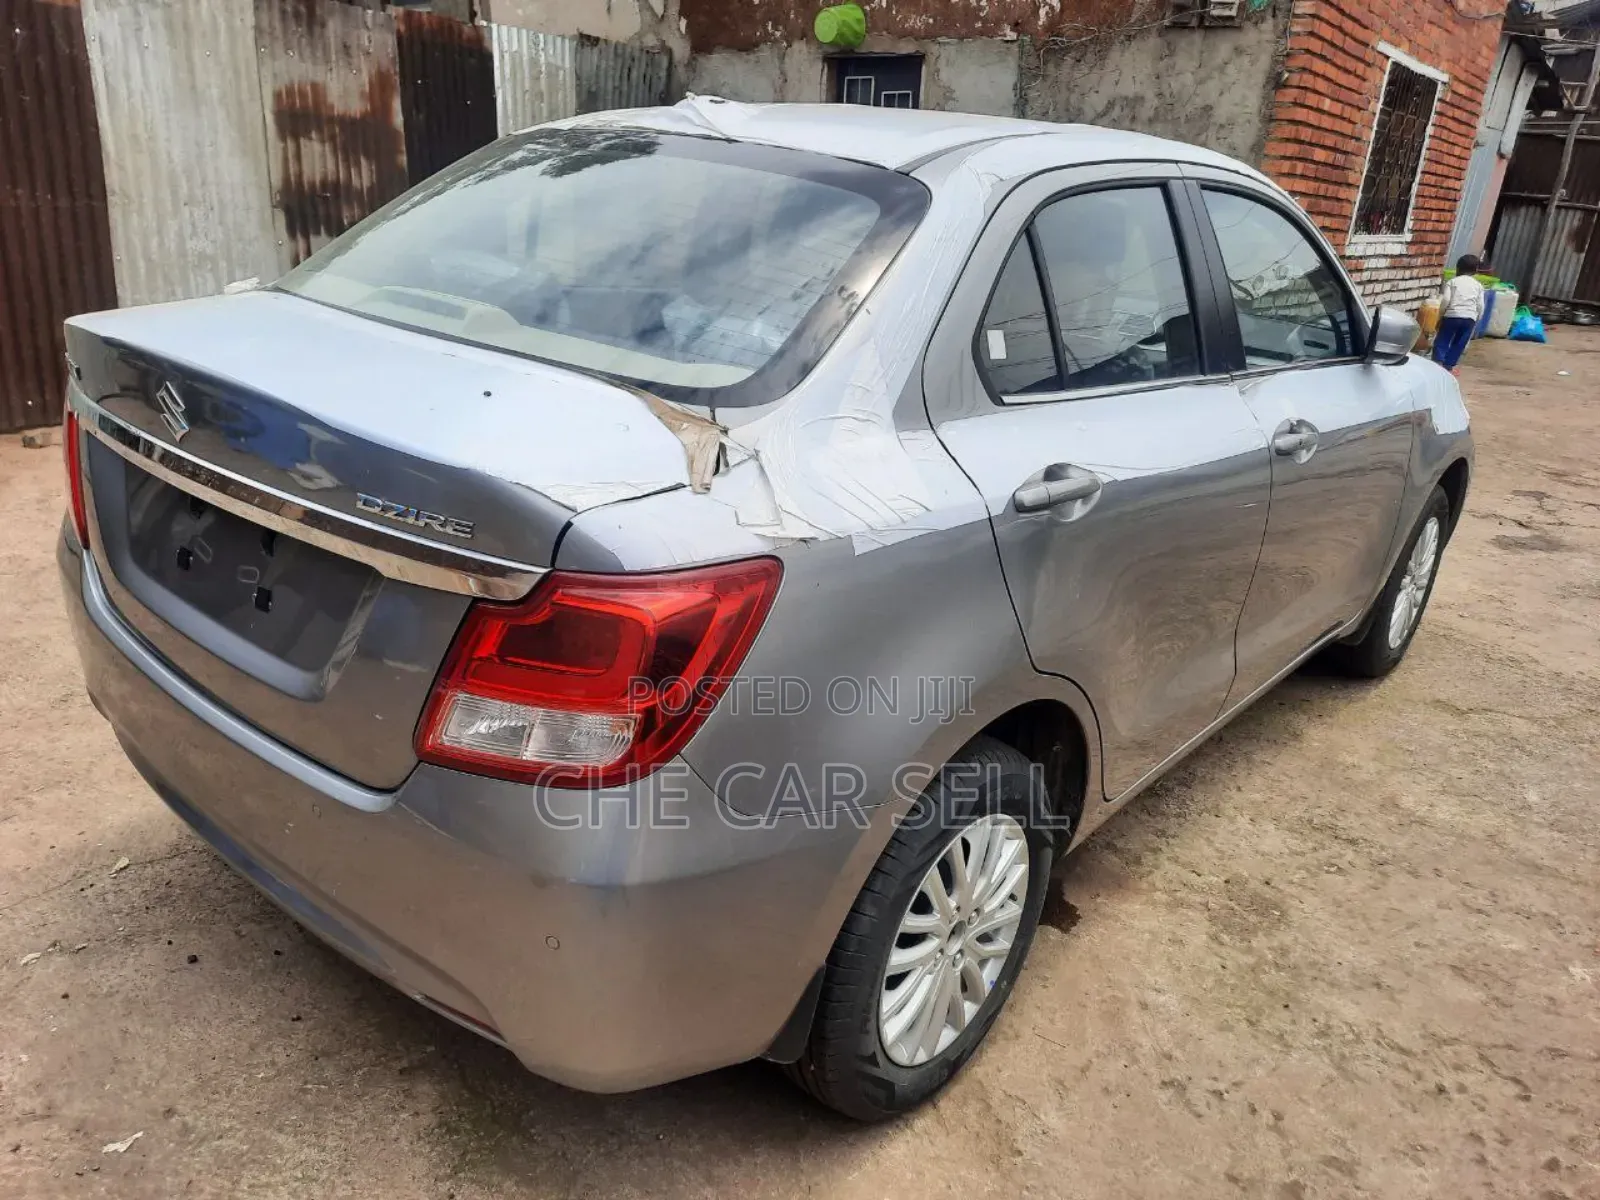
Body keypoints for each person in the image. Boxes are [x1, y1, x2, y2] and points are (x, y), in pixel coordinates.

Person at [1432, 255, 1486, 373]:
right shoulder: (1478, 285)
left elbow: (1446, 300)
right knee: (1459, 343)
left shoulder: (1452, 282)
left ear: (1458, 268)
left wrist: (1441, 314)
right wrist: (1477, 319)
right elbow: (1480, 305)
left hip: (1452, 315)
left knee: (1443, 339)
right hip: (1469, 318)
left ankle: (1438, 362)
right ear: (1476, 270)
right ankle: (1449, 366)